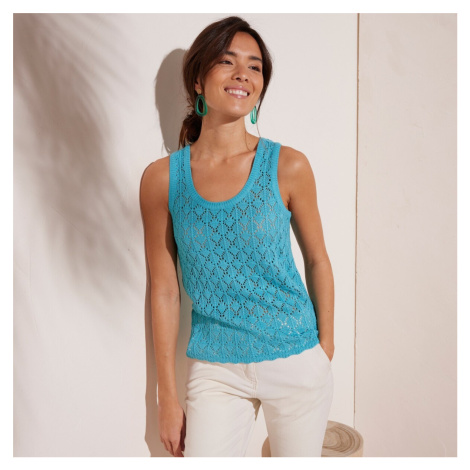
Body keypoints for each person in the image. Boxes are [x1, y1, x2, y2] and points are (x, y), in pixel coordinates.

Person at [140, 16, 335, 458]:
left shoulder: (288, 166)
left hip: (296, 358)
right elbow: (165, 290)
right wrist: (167, 396)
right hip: (216, 368)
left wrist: (324, 349)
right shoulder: (162, 180)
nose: (243, 74)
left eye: (255, 66)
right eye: (227, 61)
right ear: (198, 79)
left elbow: (318, 259)